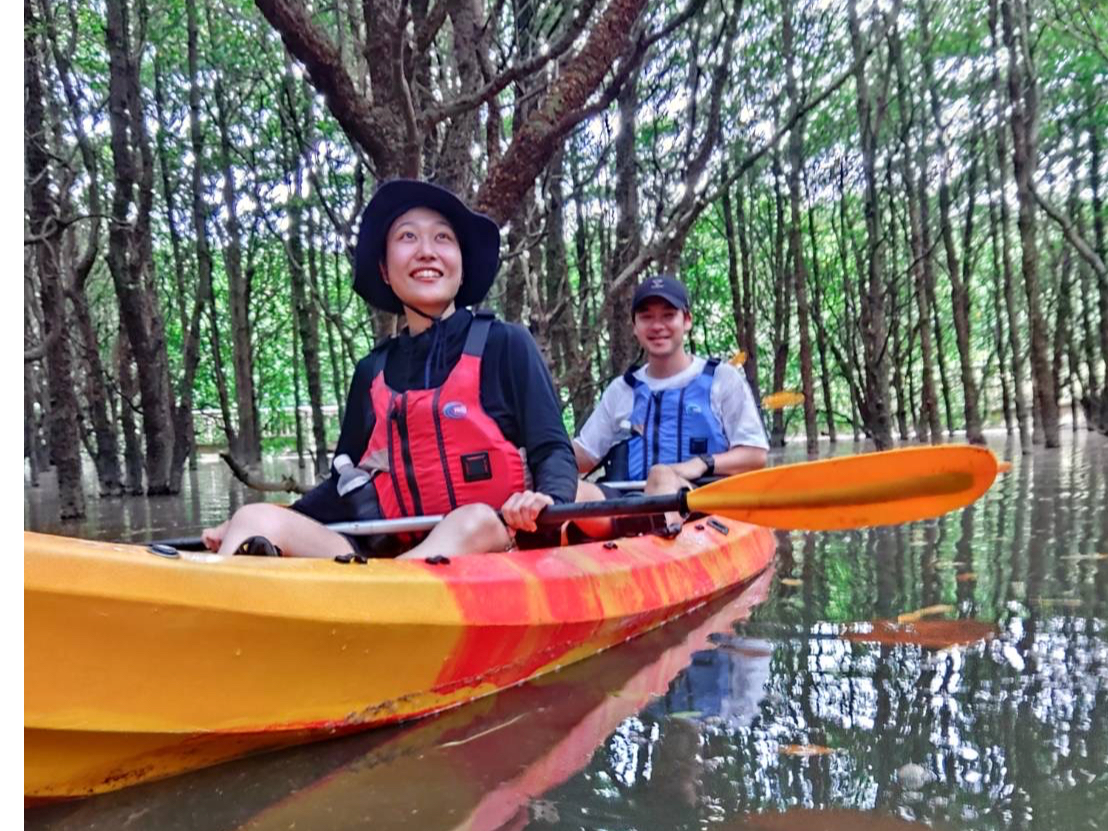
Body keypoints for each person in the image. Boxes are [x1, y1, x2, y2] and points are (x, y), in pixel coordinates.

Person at [202, 179, 577, 560]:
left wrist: (548, 501)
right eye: (408, 237)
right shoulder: (372, 371)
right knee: (253, 517)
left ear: (461, 269)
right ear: (384, 269)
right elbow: (342, 485)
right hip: (395, 559)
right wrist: (257, 525)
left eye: (443, 238)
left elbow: (553, 451)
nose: (427, 252)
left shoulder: (507, 344)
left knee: (473, 521)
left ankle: (393, 589)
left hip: (498, 543)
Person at [572, 275, 768, 536]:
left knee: (661, 477)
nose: (657, 326)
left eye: (668, 315)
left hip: (700, 504)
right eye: (646, 317)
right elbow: (584, 455)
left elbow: (756, 456)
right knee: (568, 488)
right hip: (626, 506)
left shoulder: (722, 379)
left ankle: (656, 537)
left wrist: (702, 463)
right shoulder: (622, 389)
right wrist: (533, 456)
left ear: (686, 321)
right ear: (634, 326)